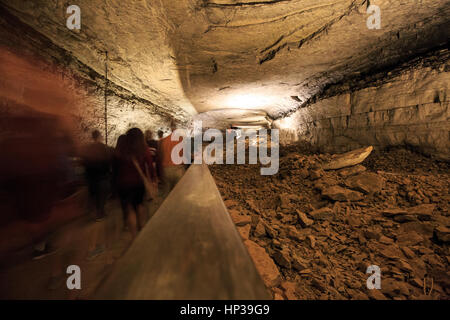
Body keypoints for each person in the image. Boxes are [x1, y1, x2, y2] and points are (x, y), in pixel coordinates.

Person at [116, 128, 156, 239]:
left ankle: (134, 236)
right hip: (138, 183)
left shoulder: (123, 150)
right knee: (139, 205)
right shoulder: (144, 149)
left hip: (124, 184)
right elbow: (150, 165)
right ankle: (142, 228)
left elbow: (117, 167)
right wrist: (153, 180)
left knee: (130, 209)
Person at [81, 130, 112, 222]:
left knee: (94, 194)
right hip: (102, 175)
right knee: (103, 194)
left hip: (91, 175)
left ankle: (96, 212)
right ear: (99, 136)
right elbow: (108, 160)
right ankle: (100, 213)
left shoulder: (87, 148)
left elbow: (84, 161)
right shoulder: (104, 148)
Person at [158, 121, 186, 196]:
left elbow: (160, 156)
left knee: (166, 194)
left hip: (166, 170)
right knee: (178, 194)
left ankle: (166, 207)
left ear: (171, 128)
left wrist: (160, 171)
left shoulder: (163, 141)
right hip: (178, 169)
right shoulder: (181, 140)